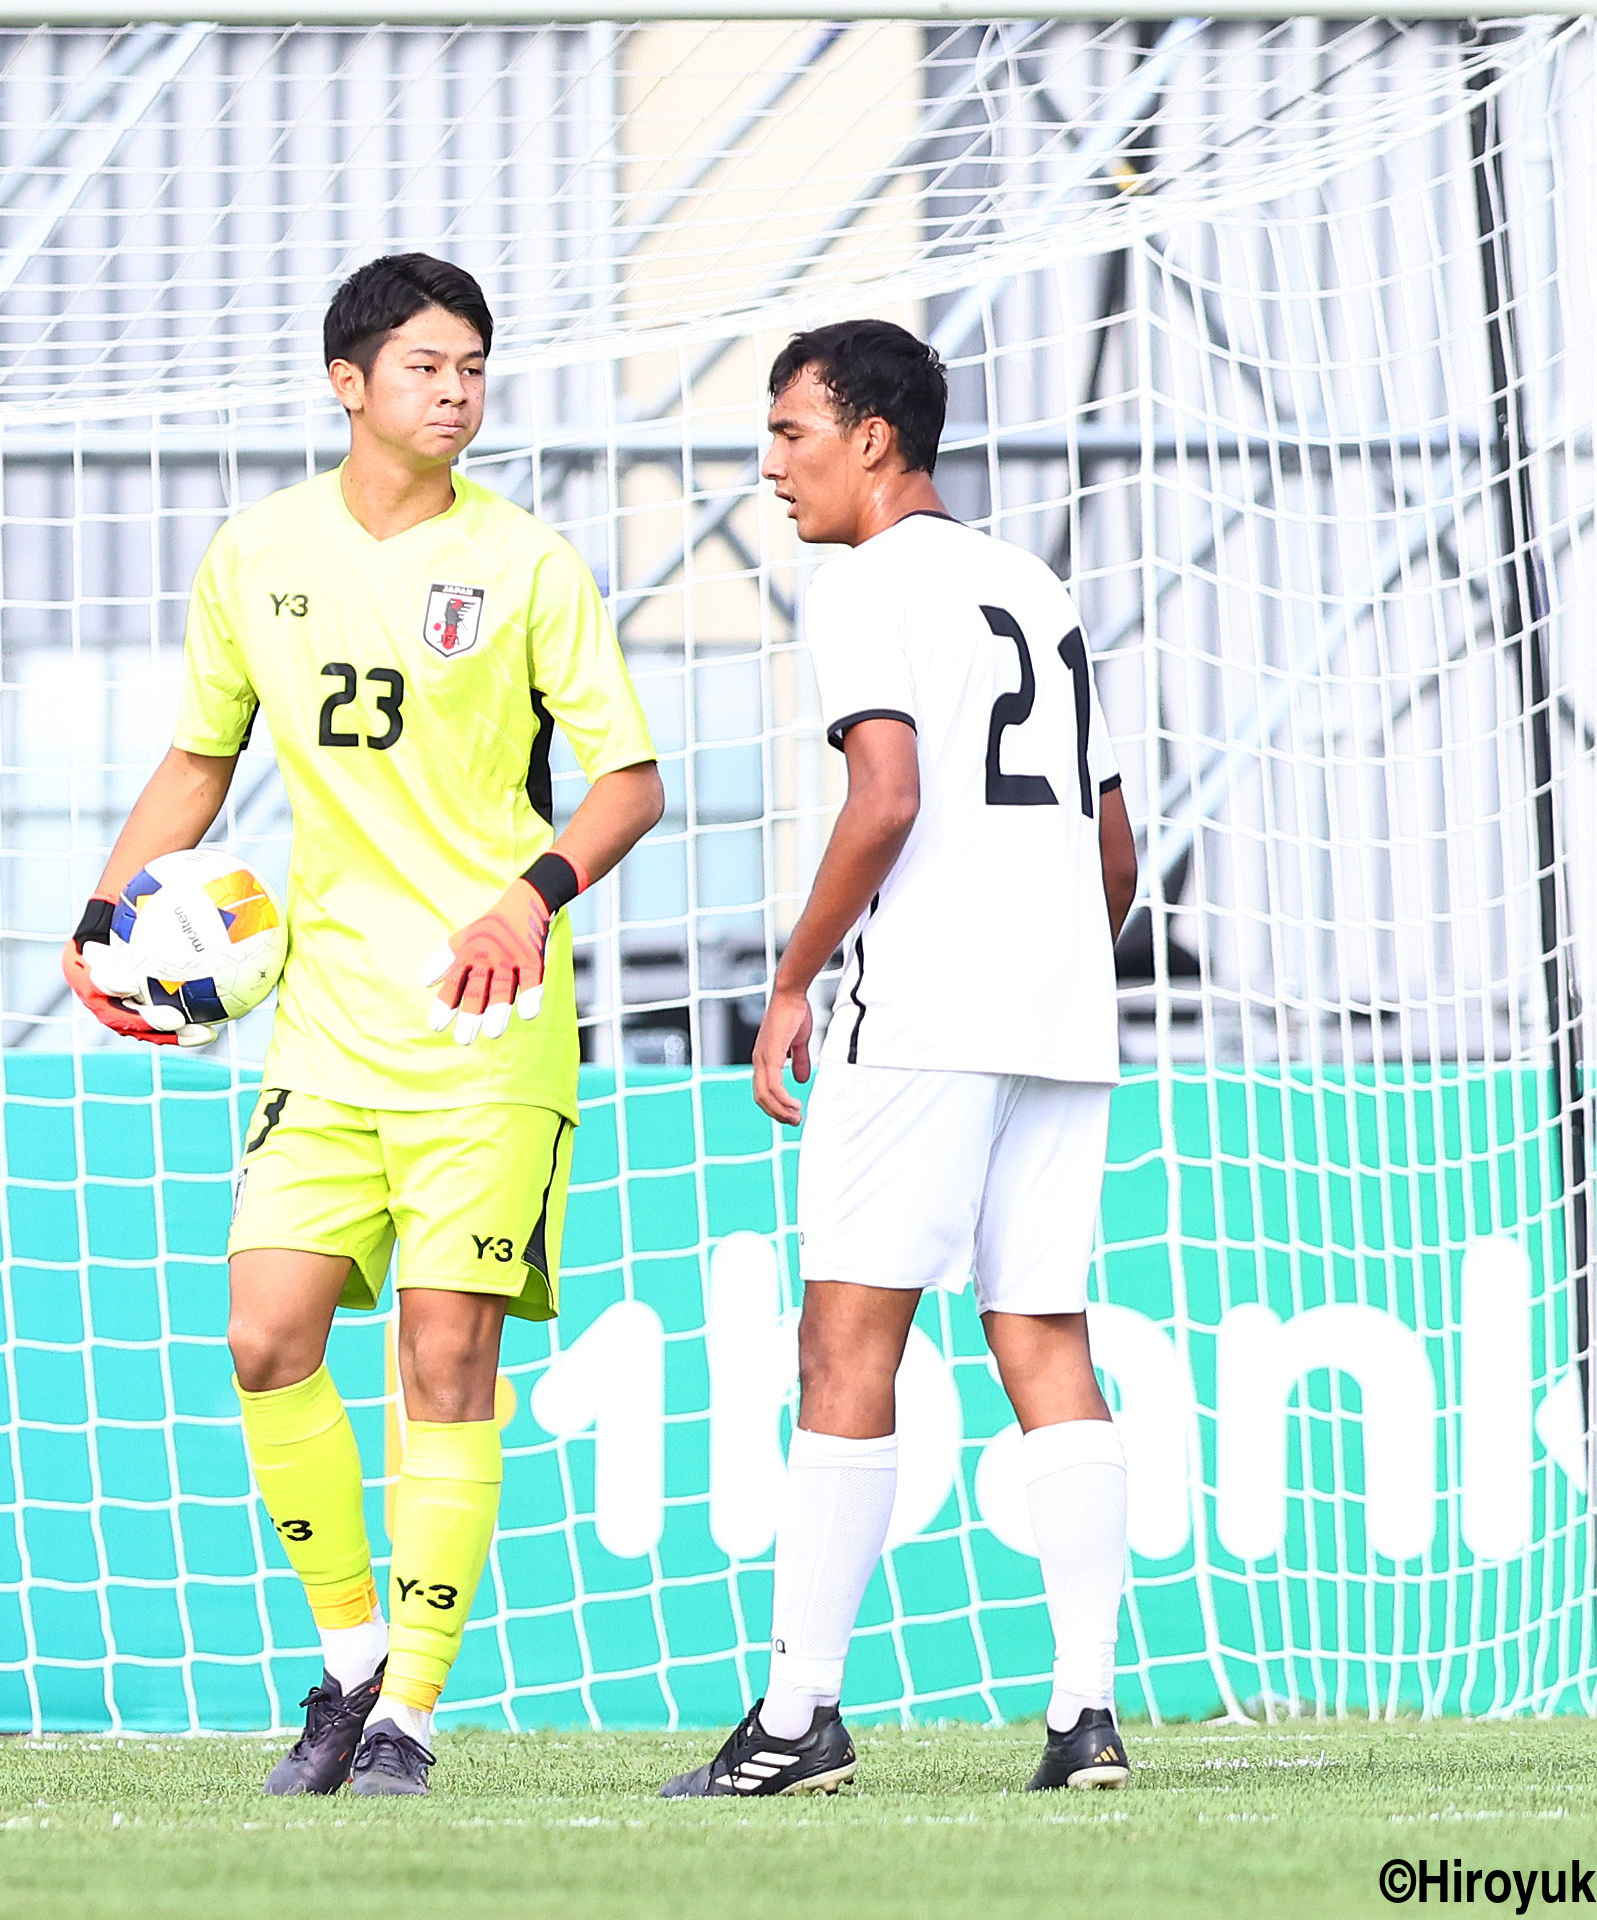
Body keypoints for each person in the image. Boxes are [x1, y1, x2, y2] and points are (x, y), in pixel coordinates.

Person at [66, 253, 663, 1797]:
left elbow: (629, 782)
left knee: (442, 1360)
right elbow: (202, 759)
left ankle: (410, 1710)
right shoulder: (254, 553)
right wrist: (102, 917)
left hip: (485, 1024)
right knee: (265, 1335)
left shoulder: (526, 563)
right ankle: (345, 1661)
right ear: (349, 383)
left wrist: (529, 894)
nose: (456, 390)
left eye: (473, 366)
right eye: (425, 365)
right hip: (323, 1026)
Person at [662, 319, 1139, 1799]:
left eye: (793, 430)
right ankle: (1085, 1714)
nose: (774, 463)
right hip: (1063, 1008)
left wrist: (795, 977)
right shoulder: (1033, 583)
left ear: (875, 436)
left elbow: (884, 797)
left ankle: (799, 1719)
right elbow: (1111, 837)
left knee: (845, 1344)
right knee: (1042, 1334)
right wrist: (1056, 956)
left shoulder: (869, 582)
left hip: (923, 1006)